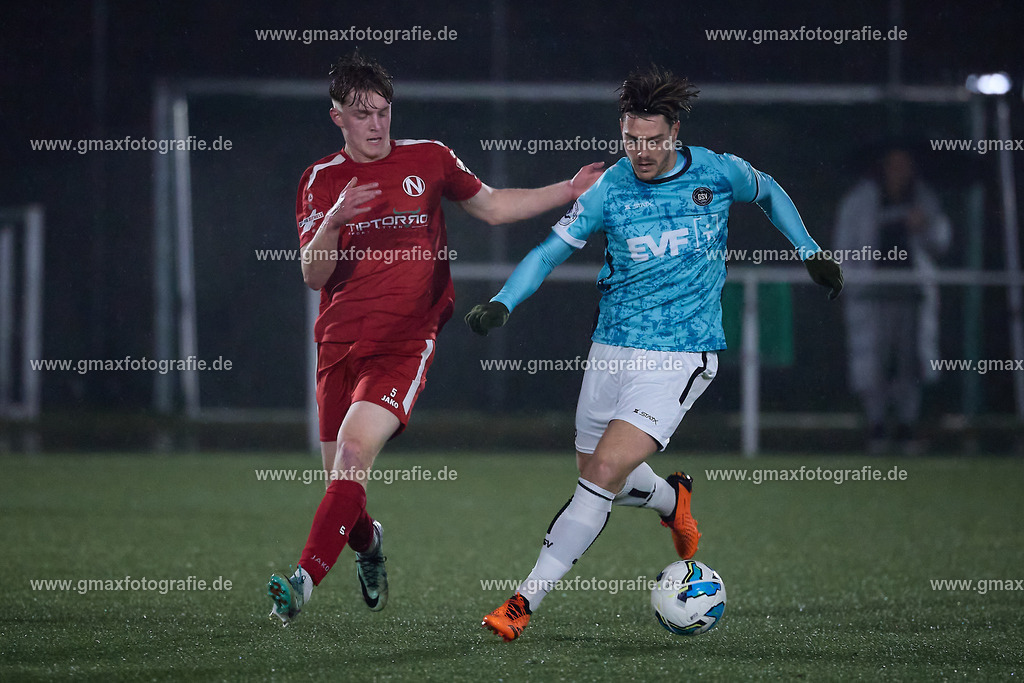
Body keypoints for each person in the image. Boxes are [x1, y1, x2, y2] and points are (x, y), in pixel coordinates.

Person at [465, 65, 843, 641]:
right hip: (610, 349)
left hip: (681, 355)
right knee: (595, 471)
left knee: (606, 471)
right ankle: (672, 499)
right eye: (631, 139)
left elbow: (768, 191)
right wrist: (502, 303)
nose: (641, 152)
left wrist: (810, 250)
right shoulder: (609, 187)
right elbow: (546, 253)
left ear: (675, 133)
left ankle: (522, 601)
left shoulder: (717, 172)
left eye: (653, 141)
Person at [267, 51, 604, 626]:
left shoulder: (429, 158)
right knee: (344, 493)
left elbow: (494, 207)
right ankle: (369, 548)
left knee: (353, 454)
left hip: (405, 341)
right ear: (337, 118)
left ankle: (301, 581)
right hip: (337, 346)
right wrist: (335, 221)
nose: (376, 124)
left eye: (383, 111)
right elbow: (312, 274)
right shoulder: (321, 181)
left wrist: (570, 189)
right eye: (362, 114)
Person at [834, 146, 950, 454]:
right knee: (873, 360)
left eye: (905, 165)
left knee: (910, 363)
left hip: (912, 293)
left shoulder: (923, 198)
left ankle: (906, 427)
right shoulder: (860, 200)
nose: (899, 171)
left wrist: (925, 225)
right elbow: (843, 248)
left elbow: (941, 241)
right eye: (893, 165)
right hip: (872, 293)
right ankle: (877, 427)